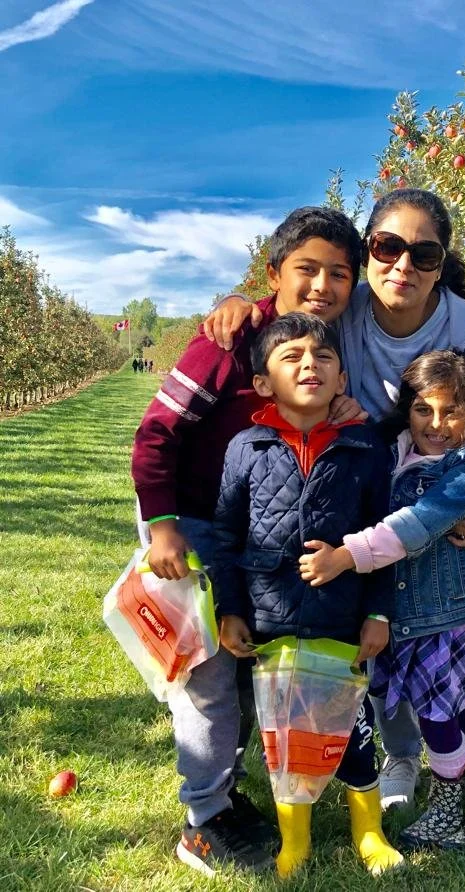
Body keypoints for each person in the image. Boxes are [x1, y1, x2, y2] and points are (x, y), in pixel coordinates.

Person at [204, 188, 465, 860]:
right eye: (386, 247)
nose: (401, 265)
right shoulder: (348, 312)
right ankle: (403, 761)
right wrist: (243, 308)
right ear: (368, 253)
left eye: (422, 252)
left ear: (439, 265)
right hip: (382, 508)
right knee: (384, 638)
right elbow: (293, 309)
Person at [130, 206, 366, 877]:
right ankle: (201, 819)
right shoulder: (227, 342)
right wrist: (164, 526)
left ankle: (225, 793)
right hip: (193, 519)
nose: (322, 284)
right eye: (307, 269)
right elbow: (154, 438)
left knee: (244, 656)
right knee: (206, 672)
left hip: (254, 529)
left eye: (338, 274)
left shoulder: (329, 343)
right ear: (273, 273)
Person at [299, 348, 465, 849]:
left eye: (452, 411)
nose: (436, 424)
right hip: (410, 614)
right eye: (424, 409)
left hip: (447, 615)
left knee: (438, 715)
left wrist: (346, 556)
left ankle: (448, 801)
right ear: (407, 409)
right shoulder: (393, 449)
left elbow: (414, 527)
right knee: (460, 707)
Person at [212, 312, 403, 879]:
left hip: (342, 619)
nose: (309, 366)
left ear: (342, 379)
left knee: (354, 731)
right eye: (291, 357)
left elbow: (384, 533)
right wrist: (230, 608)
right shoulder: (246, 448)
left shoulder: (365, 449)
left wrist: (377, 610)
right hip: (272, 621)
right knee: (285, 738)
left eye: (322, 358)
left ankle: (368, 831)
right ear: (265, 383)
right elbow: (226, 535)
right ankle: (295, 841)